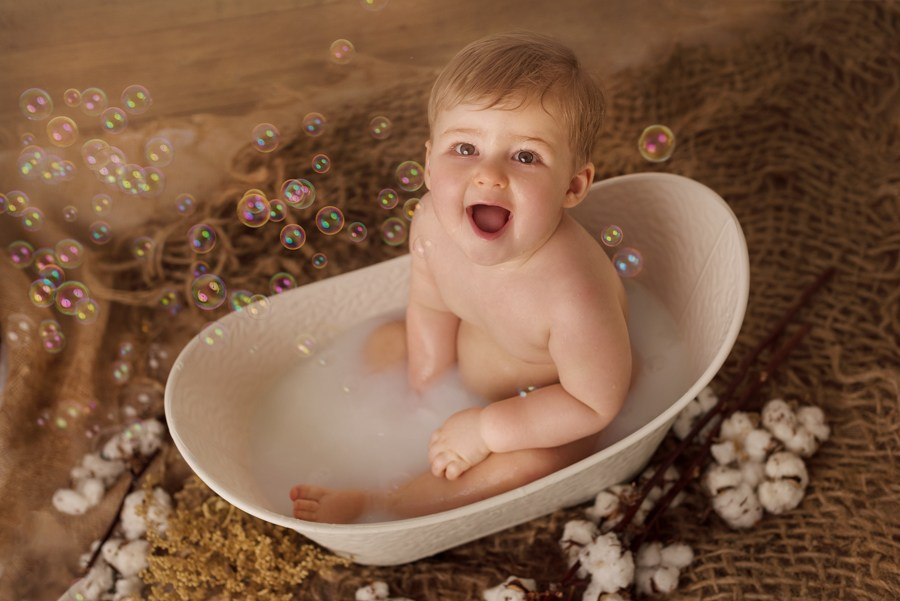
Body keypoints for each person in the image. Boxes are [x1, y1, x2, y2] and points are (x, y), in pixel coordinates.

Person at [290, 32, 631, 523]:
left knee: (532, 464)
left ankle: (386, 504)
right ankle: (349, 433)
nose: (489, 175)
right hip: (466, 375)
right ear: (428, 163)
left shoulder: (574, 293)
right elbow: (430, 307)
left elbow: (593, 403)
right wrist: (423, 389)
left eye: (526, 156)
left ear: (573, 186)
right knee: (386, 342)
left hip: (545, 415)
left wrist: (488, 430)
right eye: (465, 147)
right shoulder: (431, 223)